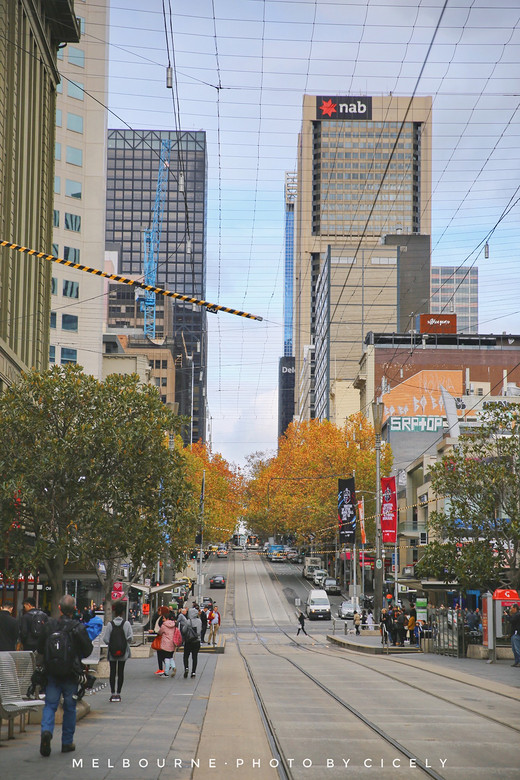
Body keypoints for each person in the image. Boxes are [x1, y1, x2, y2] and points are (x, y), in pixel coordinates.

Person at [37, 594, 93, 757]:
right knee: (70, 707)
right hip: (71, 674)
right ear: (74, 609)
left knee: (50, 705)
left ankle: (46, 731)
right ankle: (67, 742)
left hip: (52, 673)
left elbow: (40, 648)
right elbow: (88, 650)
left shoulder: (49, 625)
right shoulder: (78, 627)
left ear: (60, 608)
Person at [103, 601, 133, 702]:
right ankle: (118, 693)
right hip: (123, 652)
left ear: (114, 612)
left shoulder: (110, 625)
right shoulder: (127, 624)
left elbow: (106, 639)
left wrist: (112, 644)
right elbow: (130, 638)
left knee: (112, 672)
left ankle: (112, 693)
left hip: (112, 652)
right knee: (120, 672)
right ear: (123, 613)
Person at [178, 607, 202, 678]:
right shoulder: (199, 621)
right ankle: (193, 672)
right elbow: (199, 631)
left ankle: (186, 668)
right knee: (195, 657)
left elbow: (184, 630)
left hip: (188, 641)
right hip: (196, 640)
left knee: (186, 656)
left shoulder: (188, 621)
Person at [156, 610, 179, 678]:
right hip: (172, 642)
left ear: (167, 618)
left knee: (166, 657)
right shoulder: (174, 624)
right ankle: (173, 666)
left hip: (166, 643)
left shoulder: (164, 625)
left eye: (163, 618)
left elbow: (160, 632)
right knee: (170, 656)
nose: (163, 619)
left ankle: (166, 673)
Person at [153, 606, 170, 674]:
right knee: (161, 653)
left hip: (161, 637)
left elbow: (161, 629)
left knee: (160, 653)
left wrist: (154, 631)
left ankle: (163, 667)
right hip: (162, 638)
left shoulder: (162, 619)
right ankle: (164, 667)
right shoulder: (162, 618)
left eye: (159, 611)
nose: (158, 612)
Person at [508, 603, 520, 667]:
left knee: (517, 648)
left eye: (511, 608)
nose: (510, 609)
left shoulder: (517, 615)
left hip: (516, 634)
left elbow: (512, 620)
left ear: (515, 608)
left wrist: (507, 616)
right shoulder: (515, 615)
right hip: (514, 634)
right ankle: (516, 661)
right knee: (514, 649)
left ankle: (518, 661)